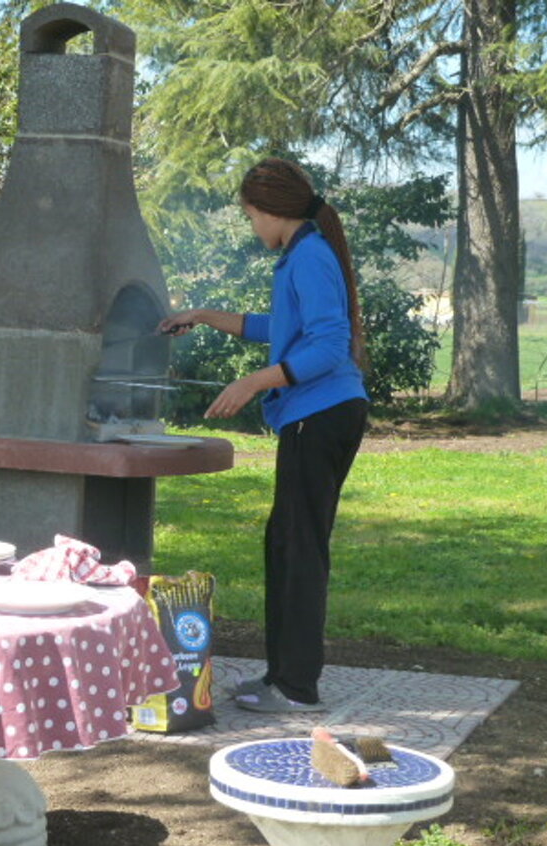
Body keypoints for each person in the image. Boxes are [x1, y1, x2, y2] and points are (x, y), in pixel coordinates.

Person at [157, 157, 368, 713]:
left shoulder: (311, 256)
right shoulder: (301, 254)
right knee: (286, 543)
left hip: (321, 415)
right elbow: (283, 330)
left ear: (272, 210)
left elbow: (329, 346)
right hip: (316, 414)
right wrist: (205, 315)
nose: (252, 227)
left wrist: (253, 382)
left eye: (251, 216)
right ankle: (282, 677)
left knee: (299, 549)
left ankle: (296, 688)